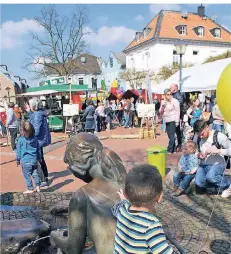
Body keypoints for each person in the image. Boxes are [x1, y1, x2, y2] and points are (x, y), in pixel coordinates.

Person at [112, 164, 174, 254]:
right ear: (160, 197)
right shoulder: (151, 225)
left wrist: (124, 200)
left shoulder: (122, 210)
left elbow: (117, 207)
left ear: (126, 194)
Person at [194, 120, 231, 194]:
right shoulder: (197, 137)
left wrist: (218, 151)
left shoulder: (219, 136)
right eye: (198, 135)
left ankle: (228, 184)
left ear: (207, 127)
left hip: (218, 164)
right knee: (199, 184)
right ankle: (216, 186)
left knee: (211, 177)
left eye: (202, 134)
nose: (200, 136)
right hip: (204, 164)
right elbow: (193, 151)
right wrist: (198, 154)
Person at [27, 98, 51, 187]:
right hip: (40, 140)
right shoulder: (38, 113)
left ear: (33, 106)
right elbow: (32, 118)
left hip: (37, 140)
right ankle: (45, 176)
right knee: (40, 158)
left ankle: (43, 179)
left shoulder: (37, 115)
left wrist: (28, 137)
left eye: (30, 105)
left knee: (36, 159)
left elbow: (36, 130)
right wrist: (29, 112)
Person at [16, 121, 41, 194]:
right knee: (35, 173)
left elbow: (18, 151)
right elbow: (38, 150)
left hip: (25, 161)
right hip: (34, 160)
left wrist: (17, 160)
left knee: (26, 175)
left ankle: (30, 188)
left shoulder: (21, 139)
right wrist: (39, 158)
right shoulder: (35, 139)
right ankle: (38, 186)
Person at [159, 89, 180, 154]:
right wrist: (162, 106)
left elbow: (177, 111)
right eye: (168, 94)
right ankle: (173, 149)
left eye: (171, 94)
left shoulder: (175, 101)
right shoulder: (163, 102)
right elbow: (160, 112)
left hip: (173, 119)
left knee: (171, 135)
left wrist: (177, 121)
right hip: (166, 120)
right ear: (165, 95)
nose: (169, 96)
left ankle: (169, 149)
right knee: (169, 135)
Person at [170, 84, 183, 151]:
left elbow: (180, 104)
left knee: (176, 131)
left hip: (176, 116)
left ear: (175, 88)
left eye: (171, 88)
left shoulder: (178, 95)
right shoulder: (175, 94)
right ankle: (177, 145)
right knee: (176, 131)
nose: (170, 89)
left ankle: (178, 145)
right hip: (174, 115)